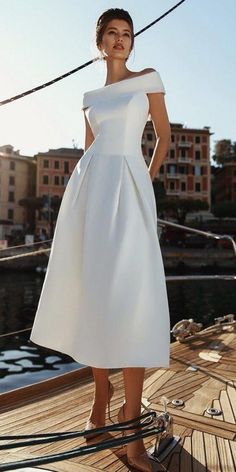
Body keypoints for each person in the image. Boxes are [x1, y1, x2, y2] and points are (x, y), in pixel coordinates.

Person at [30, 8, 171, 471]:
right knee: (96, 297)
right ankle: (101, 394)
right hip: (90, 191)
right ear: (99, 42)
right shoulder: (89, 95)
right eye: (112, 34)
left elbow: (163, 136)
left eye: (126, 34)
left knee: (132, 300)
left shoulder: (148, 78)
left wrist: (144, 183)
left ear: (133, 42)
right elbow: (90, 147)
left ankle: (132, 433)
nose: (120, 40)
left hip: (129, 188)